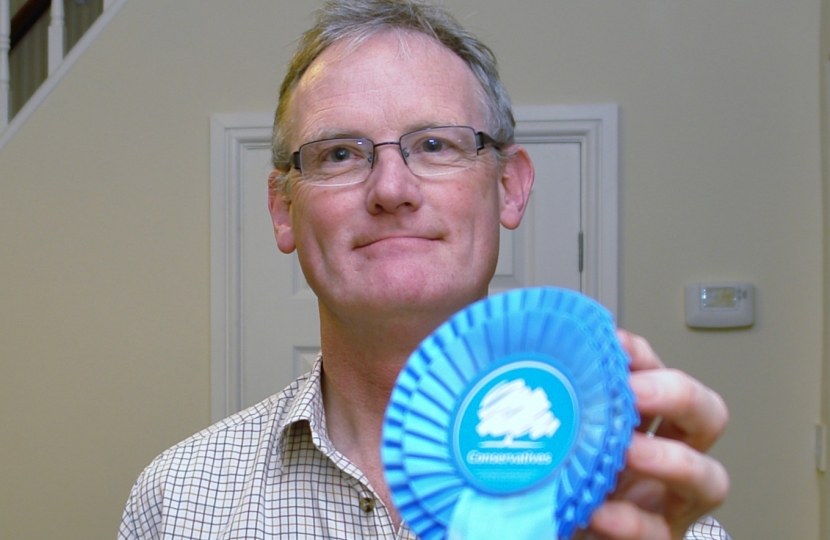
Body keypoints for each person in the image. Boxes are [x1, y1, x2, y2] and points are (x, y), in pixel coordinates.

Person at [118, 1, 731, 538]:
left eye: (435, 144)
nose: (391, 189)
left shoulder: (647, 514)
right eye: (339, 153)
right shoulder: (175, 502)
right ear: (283, 210)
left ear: (510, 187)